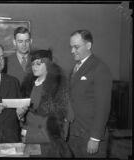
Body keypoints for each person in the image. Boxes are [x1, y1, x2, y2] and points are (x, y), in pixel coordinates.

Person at [18, 49, 74, 157]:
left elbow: (69, 115)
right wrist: (20, 116)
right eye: (33, 64)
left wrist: (60, 140)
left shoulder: (58, 87)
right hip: (30, 139)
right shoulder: (28, 86)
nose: (34, 67)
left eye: (38, 64)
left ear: (48, 65)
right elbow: (25, 116)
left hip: (48, 141)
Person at [68, 29, 112, 158]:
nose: (72, 51)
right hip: (74, 134)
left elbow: (103, 107)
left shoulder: (100, 68)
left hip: (89, 136)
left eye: (76, 47)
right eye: (71, 47)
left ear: (88, 45)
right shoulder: (76, 67)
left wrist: (95, 138)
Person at [6, 26, 32, 97]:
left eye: (26, 41)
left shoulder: (36, 61)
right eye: (20, 41)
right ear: (14, 42)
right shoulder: (5, 62)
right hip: (12, 105)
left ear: (30, 41)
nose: (24, 45)